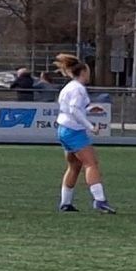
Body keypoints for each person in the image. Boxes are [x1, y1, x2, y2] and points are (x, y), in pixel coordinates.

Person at [52, 54, 115, 213]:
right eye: (88, 71)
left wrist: (88, 109)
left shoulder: (69, 87)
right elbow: (73, 109)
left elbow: (71, 109)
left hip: (64, 129)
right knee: (91, 164)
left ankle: (65, 203)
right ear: (83, 72)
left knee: (74, 166)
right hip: (73, 130)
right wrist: (90, 125)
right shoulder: (78, 89)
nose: (89, 74)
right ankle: (99, 200)